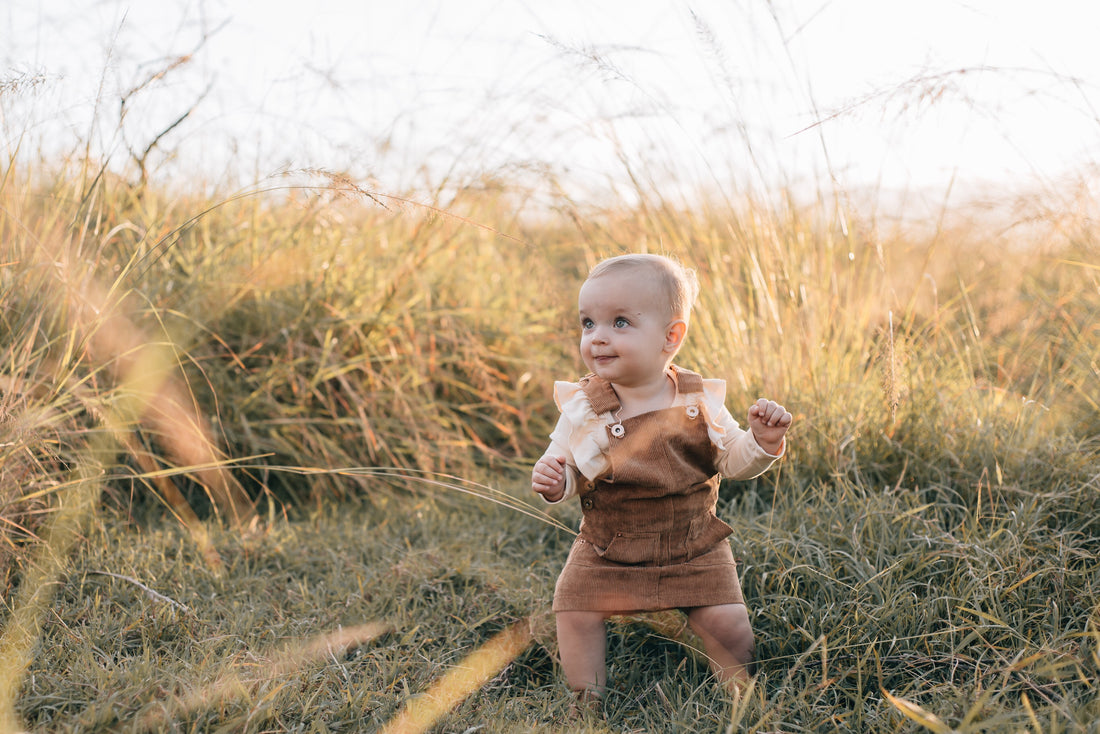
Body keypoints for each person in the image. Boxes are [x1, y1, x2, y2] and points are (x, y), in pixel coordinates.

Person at [531, 253, 792, 710]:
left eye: (620, 323)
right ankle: (585, 698)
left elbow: (732, 461)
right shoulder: (584, 406)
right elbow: (567, 464)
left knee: (728, 622)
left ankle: (742, 696)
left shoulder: (699, 398)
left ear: (671, 336)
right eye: (588, 323)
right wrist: (557, 480)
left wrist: (762, 441)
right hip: (608, 545)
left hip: (694, 544)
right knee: (573, 609)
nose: (598, 338)